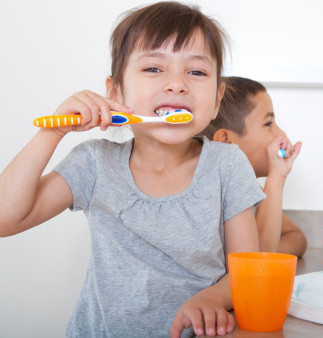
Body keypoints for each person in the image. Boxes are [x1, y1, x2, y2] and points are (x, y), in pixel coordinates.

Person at [0, 3, 265, 337]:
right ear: (115, 93)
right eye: (154, 68)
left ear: (216, 100)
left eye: (196, 72)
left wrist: (212, 297)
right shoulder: (93, 164)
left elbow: (247, 267)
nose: (177, 84)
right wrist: (51, 133)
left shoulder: (227, 165)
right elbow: (4, 219)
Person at [201, 76, 307, 258]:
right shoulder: (208, 193)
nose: (281, 134)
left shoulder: (252, 191)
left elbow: (296, 238)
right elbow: (255, 264)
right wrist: (276, 178)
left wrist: (267, 249)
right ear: (225, 141)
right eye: (268, 124)